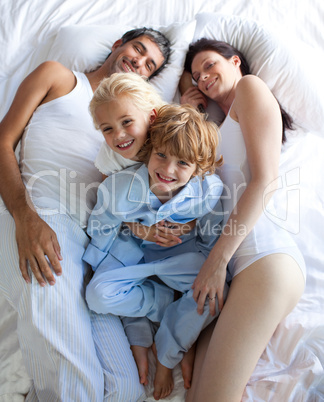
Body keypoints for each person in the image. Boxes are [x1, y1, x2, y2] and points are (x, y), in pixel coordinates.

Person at [0, 27, 171, 401]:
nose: (138, 61)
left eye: (149, 65)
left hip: (96, 248)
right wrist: (25, 217)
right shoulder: (58, 77)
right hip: (42, 216)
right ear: (117, 45)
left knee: (127, 390)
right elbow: (1, 142)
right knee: (77, 383)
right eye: (137, 49)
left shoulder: (135, 123)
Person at [179, 38, 306, 402]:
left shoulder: (251, 87)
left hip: (263, 257)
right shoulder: (216, 125)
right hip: (235, 272)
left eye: (209, 66)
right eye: (195, 75)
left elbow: (264, 181)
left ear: (235, 61)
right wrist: (190, 114)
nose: (202, 77)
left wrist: (217, 261)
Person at [83, 103, 226, 400]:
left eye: (183, 164)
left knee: (213, 294)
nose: (167, 170)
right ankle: (162, 302)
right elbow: (101, 225)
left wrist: (190, 227)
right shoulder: (119, 187)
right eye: (161, 155)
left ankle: (167, 352)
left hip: (179, 256)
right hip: (133, 249)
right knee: (97, 295)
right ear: (151, 150)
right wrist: (137, 228)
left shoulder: (208, 191)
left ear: (198, 169)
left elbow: (210, 239)